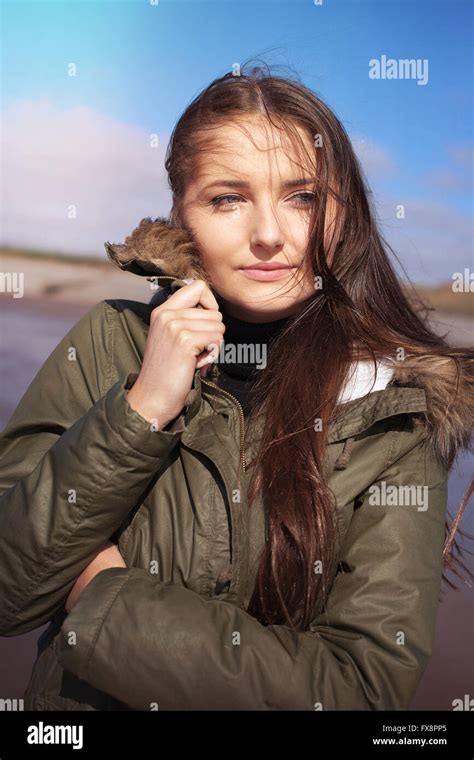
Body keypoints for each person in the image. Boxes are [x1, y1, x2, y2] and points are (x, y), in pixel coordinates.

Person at [0, 65, 473, 712]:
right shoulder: (108, 342)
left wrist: (105, 602)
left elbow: (359, 689)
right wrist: (140, 411)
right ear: (181, 214)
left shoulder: (390, 405)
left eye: (302, 197)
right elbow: (8, 589)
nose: (270, 234)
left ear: (344, 212)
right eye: (228, 197)